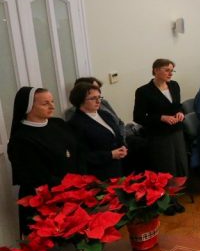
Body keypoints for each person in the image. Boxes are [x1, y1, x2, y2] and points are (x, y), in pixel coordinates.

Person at [8, 87, 84, 233]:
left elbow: (79, 152)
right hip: (46, 199)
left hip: (73, 193)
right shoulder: (21, 139)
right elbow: (37, 176)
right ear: (28, 107)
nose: (52, 106)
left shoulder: (59, 123)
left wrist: (80, 181)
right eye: (45, 103)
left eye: (52, 101)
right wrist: (69, 188)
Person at [133, 58, 187, 214]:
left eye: (172, 70)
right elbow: (138, 117)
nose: (170, 73)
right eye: (167, 70)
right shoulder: (143, 91)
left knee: (178, 165)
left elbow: (178, 106)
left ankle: (175, 199)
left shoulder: (174, 85)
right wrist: (161, 118)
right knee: (165, 168)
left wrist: (180, 112)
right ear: (156, 70)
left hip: (176, 131)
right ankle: (166, 203)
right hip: (159, 135)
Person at [68, 82, 127, 180]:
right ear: (80, 100)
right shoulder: (75, 123)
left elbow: (116, 135)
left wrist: (123, 147)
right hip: (98, 173)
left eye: (99, 97)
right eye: (93, 98)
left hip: (117, 166)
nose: (98, 101)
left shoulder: (105, 114)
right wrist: (110, 155)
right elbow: (83, 155)